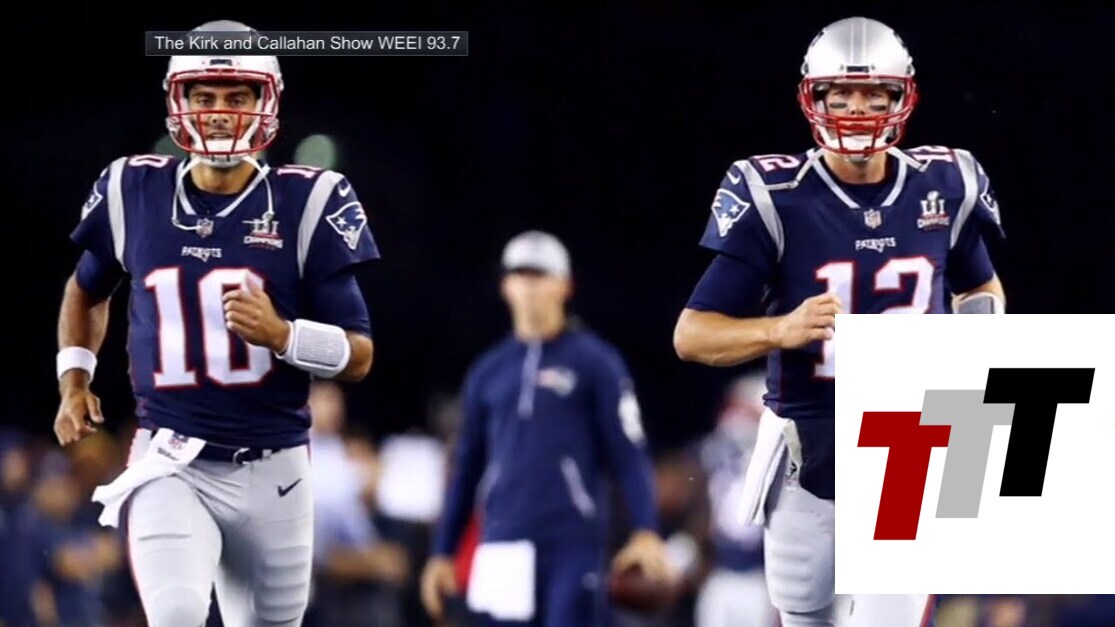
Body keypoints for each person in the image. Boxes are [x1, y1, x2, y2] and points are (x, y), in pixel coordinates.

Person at [673, 16, 1006, 627]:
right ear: (814, 98)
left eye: (874, 94)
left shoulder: (945, 185)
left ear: (901, 97)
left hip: (909, 443)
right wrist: (778, 329)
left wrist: (972, 363)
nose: (857, 109)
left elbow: (979, 287)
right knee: (807, 616)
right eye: (842, 94)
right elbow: (692, 334)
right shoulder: (776, 196)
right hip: (810, 450)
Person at [51, 18, 379, 627]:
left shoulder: (307, 200)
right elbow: (85, 288)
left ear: (266, 102)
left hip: (276, 469)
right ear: (179, 101)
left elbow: (360, 356)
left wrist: (284, 336)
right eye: (204, 97)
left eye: (236, 96)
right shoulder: (133, 189)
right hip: (170, 459)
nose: (220, 112)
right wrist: (75, 379)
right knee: (176, 615)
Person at [420, 230, 674, 626]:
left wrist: (645, 529)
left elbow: (628, 452)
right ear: (505, 286)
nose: (529, 285)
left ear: (565, 285)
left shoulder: (596, 362)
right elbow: (467, 468)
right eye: (520, 274)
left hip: (571, 540)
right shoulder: (488, 372)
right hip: (503, 537)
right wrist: (443, 551)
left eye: (540, 275)